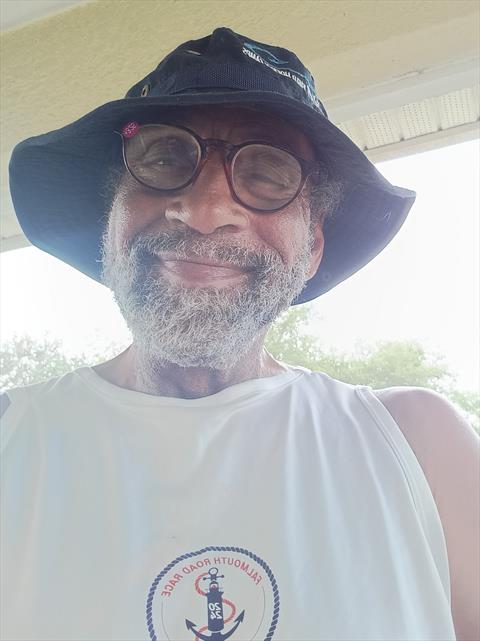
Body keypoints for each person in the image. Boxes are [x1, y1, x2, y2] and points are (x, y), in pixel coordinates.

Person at [1, 27, 478, 641]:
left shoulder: (419, 444)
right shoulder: (11, 437)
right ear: (110, 221)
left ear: (312, 247)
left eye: (269, 173)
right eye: (163, 158)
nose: (204, 211)